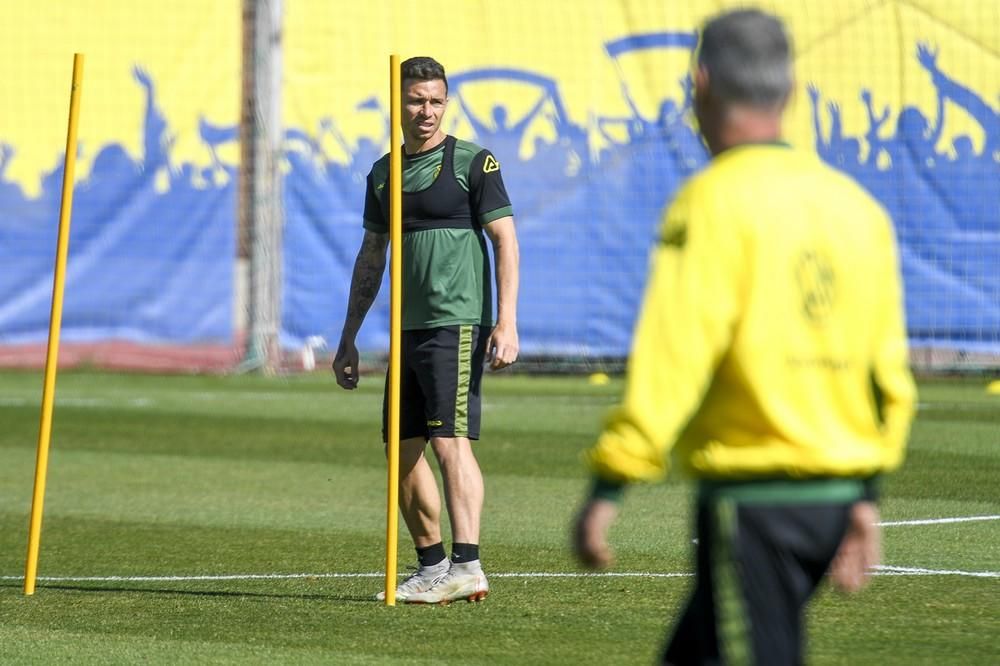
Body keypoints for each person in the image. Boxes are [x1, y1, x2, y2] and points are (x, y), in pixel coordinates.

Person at [572, 9, 916, 664]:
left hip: (756, 505)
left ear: (700, 82)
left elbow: (673, 358)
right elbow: (886, 375)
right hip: (834, 499)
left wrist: (610, 483)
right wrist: (865, 497)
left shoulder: (711, 203)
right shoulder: (855, 208)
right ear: (787, 91)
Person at [333, 56, 520, 604]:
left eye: (436, 101)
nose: (426, 111)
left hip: (457, 321)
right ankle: (433, 566)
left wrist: (506, 321)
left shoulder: (473, 164)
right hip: (407, 328)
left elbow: (506, 242)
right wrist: (348, 337)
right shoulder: (382, 173)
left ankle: (469, 564)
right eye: (416, 101)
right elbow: (372, 256)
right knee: (402, 447)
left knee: (448, 440)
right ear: (399, 104)